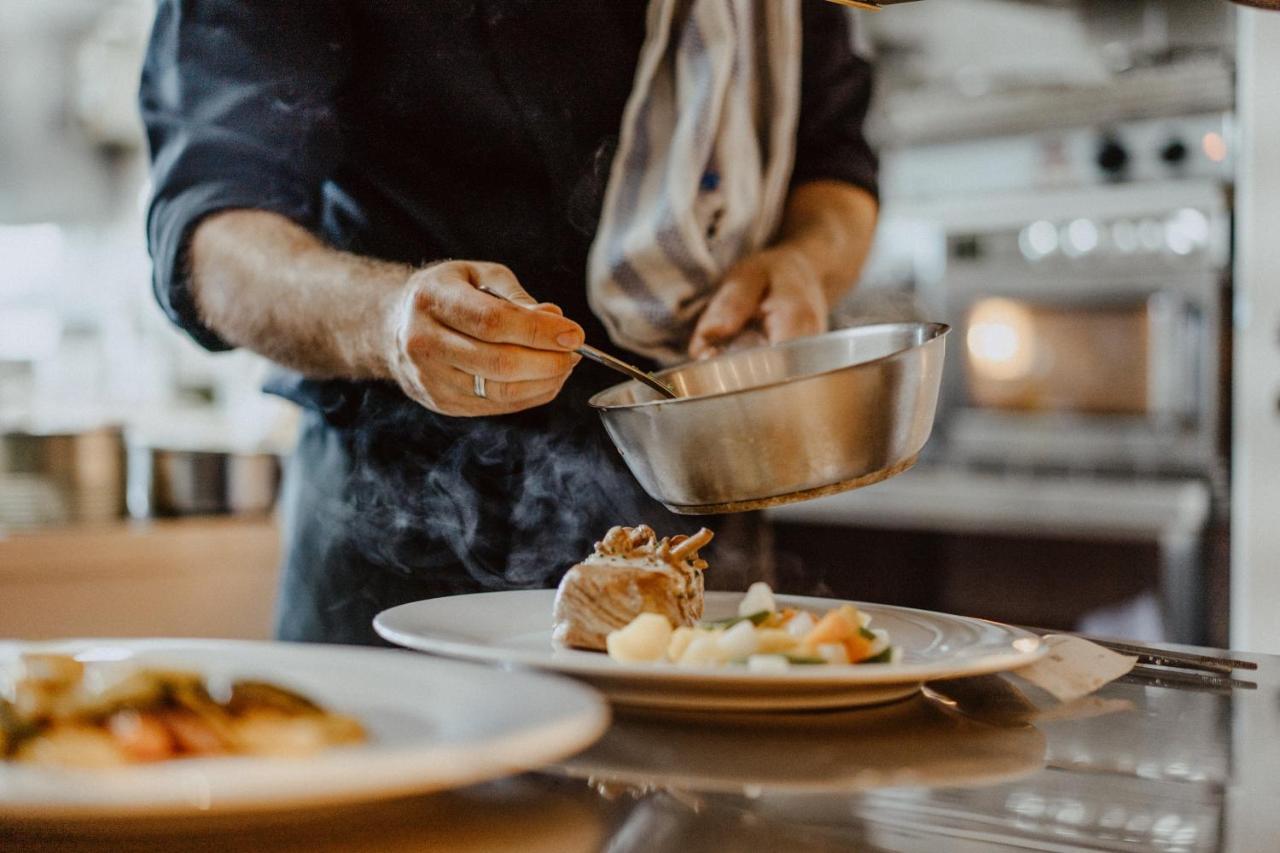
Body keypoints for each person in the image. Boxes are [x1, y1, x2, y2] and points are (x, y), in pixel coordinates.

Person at [140, 1, 879, 646]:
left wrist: (806, 262)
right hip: (404, 536)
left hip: (700, 524)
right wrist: (388, 321)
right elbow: (217, 235)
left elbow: (836, 164)